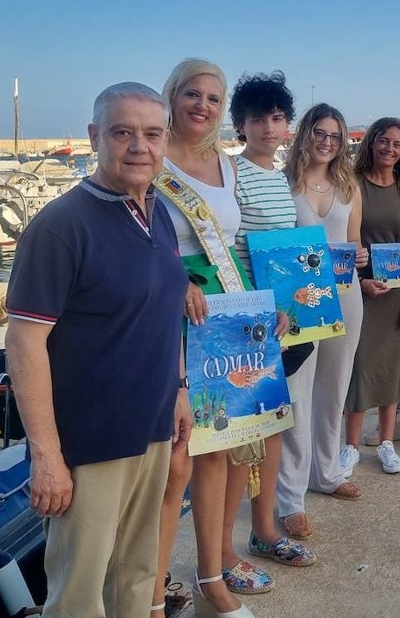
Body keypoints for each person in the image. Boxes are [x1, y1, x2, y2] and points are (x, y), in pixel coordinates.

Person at [5, 82, 190, 618]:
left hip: (152, 430)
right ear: (94, 137)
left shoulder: (158, 212)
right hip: (89, 446)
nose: (139, 146)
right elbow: (24, 340)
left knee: (137, 577)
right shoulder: (61, 227)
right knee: (79, 595)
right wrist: (46, 457)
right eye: (122, 132)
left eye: (152, 134)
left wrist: (178, 389)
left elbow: (164, 310)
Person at [151, 59, 258, 618]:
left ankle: (210, 578)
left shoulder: (227, 165)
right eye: (192, 94)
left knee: (217, 450)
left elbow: (236, 244)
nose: (202, 105)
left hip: (225, 313)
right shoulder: (151, 156)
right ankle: (149, 591)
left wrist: (262, 309)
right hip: (171, 312)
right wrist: (176, 279)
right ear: (172, 97)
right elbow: (135, 235)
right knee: (175, 460)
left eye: (214, 99)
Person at [223, 71, 316, 576]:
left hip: (288, 323)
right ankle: (225, 549)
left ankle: (265, 529)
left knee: (274, 425)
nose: (268, 126)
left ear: (286, 126)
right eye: (258, 118)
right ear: (241, 124)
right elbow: (228, 251)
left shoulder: (281, 179)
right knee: (242, 436)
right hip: (247, 323)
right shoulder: (233, 175)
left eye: (277, 118)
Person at [276, 103, 368, 539]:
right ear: (306, 134)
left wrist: (362, 256)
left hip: (346, 294)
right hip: (301, 300)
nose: (328, 142)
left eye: (335, 135)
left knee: (334, 387)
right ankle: (290, 496)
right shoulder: (284, 184)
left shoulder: (349, 186)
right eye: (320, 133)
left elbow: (353, 242)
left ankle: (327, 472)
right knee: (298, 394)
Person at [343, 118, 400, 475]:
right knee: (360, 366)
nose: (391, 148)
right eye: (384, 141)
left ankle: (387, 443)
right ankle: (350, 446)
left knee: (392, 366)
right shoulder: (354, 183)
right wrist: (359, 281)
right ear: (372, 142)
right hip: (363, 286)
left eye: (398, 144)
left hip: (397, 288)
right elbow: (349, 237)